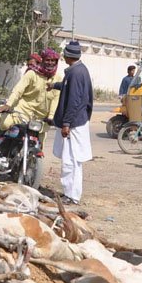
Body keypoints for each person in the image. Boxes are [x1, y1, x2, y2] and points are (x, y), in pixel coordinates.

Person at [50, 41, 94, 204]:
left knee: (71, 161)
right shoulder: (79, 70)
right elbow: (69, 88)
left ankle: (72, 196)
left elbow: (74, 100)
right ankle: (69, 193)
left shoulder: (76, 72)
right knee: (71, 160)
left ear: (68, 56)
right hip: (77, 120)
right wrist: (54, 85)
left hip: (74, 123)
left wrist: (66, 123)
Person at [0, 48, 60, 129]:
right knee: (5, 125)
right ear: (42, 60)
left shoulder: (58, 79)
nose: (50, 63)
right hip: (23, 112)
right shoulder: (31, 73)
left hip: (41, 118)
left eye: (53, 61)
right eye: (47, 60)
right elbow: (18, 90)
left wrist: (51, 116)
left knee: (41, 141)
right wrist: (8, 104)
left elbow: (56, 99)